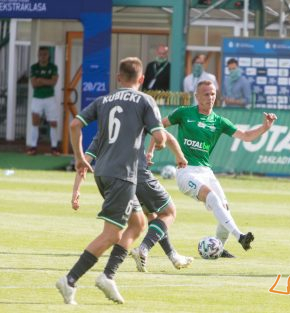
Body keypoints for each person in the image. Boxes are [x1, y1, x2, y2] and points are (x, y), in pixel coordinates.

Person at [56, 57, 167, 305]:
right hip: (123, 174)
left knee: (138, 224)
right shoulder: (145, 100)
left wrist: (78, 157)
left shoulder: (104, 100)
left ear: (118, 78)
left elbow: (75, 125)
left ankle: (108, 276)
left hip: (103, 172)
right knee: (111, 235)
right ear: (141, 79)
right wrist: (156, 142)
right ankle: (70, 279)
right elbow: (159, 137)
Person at [159, 80, 276, 258]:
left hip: (206, 171)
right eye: (206, 94)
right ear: (196, 96)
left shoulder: (219, 122)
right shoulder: (183, 113)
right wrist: (159, 146)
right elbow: (159, 126)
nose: (210, 97)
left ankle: (218, 247)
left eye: (213, 94)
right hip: (186, 171)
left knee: (224, 208)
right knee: (212, 197)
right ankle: (240, 237)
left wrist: (265, 128)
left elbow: (245, 136)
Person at [76, 130, 193, 273]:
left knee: (150, 216)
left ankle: (173, 256)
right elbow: (163, 135)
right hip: (139, 174)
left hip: (118, 179)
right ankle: (141, 251)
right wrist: (180, 156)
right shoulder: (138, 113)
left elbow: (85, 160)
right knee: (169, 212)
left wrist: (76, 190)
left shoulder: (105, 127)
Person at [27, 46, 60, 156]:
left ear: (48, 55)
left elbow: (53, 82)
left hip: (50, 98)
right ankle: (33, 147)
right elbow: (34, 84)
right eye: (41, 54)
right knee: (35, 122)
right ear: (38, 55)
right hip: (37, 98)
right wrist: (47, 81)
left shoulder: (53, 67)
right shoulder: (34, 67)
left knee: (53, 123)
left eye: (45, 54)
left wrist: (41, 80)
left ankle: (54, 148)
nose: (43, 57)